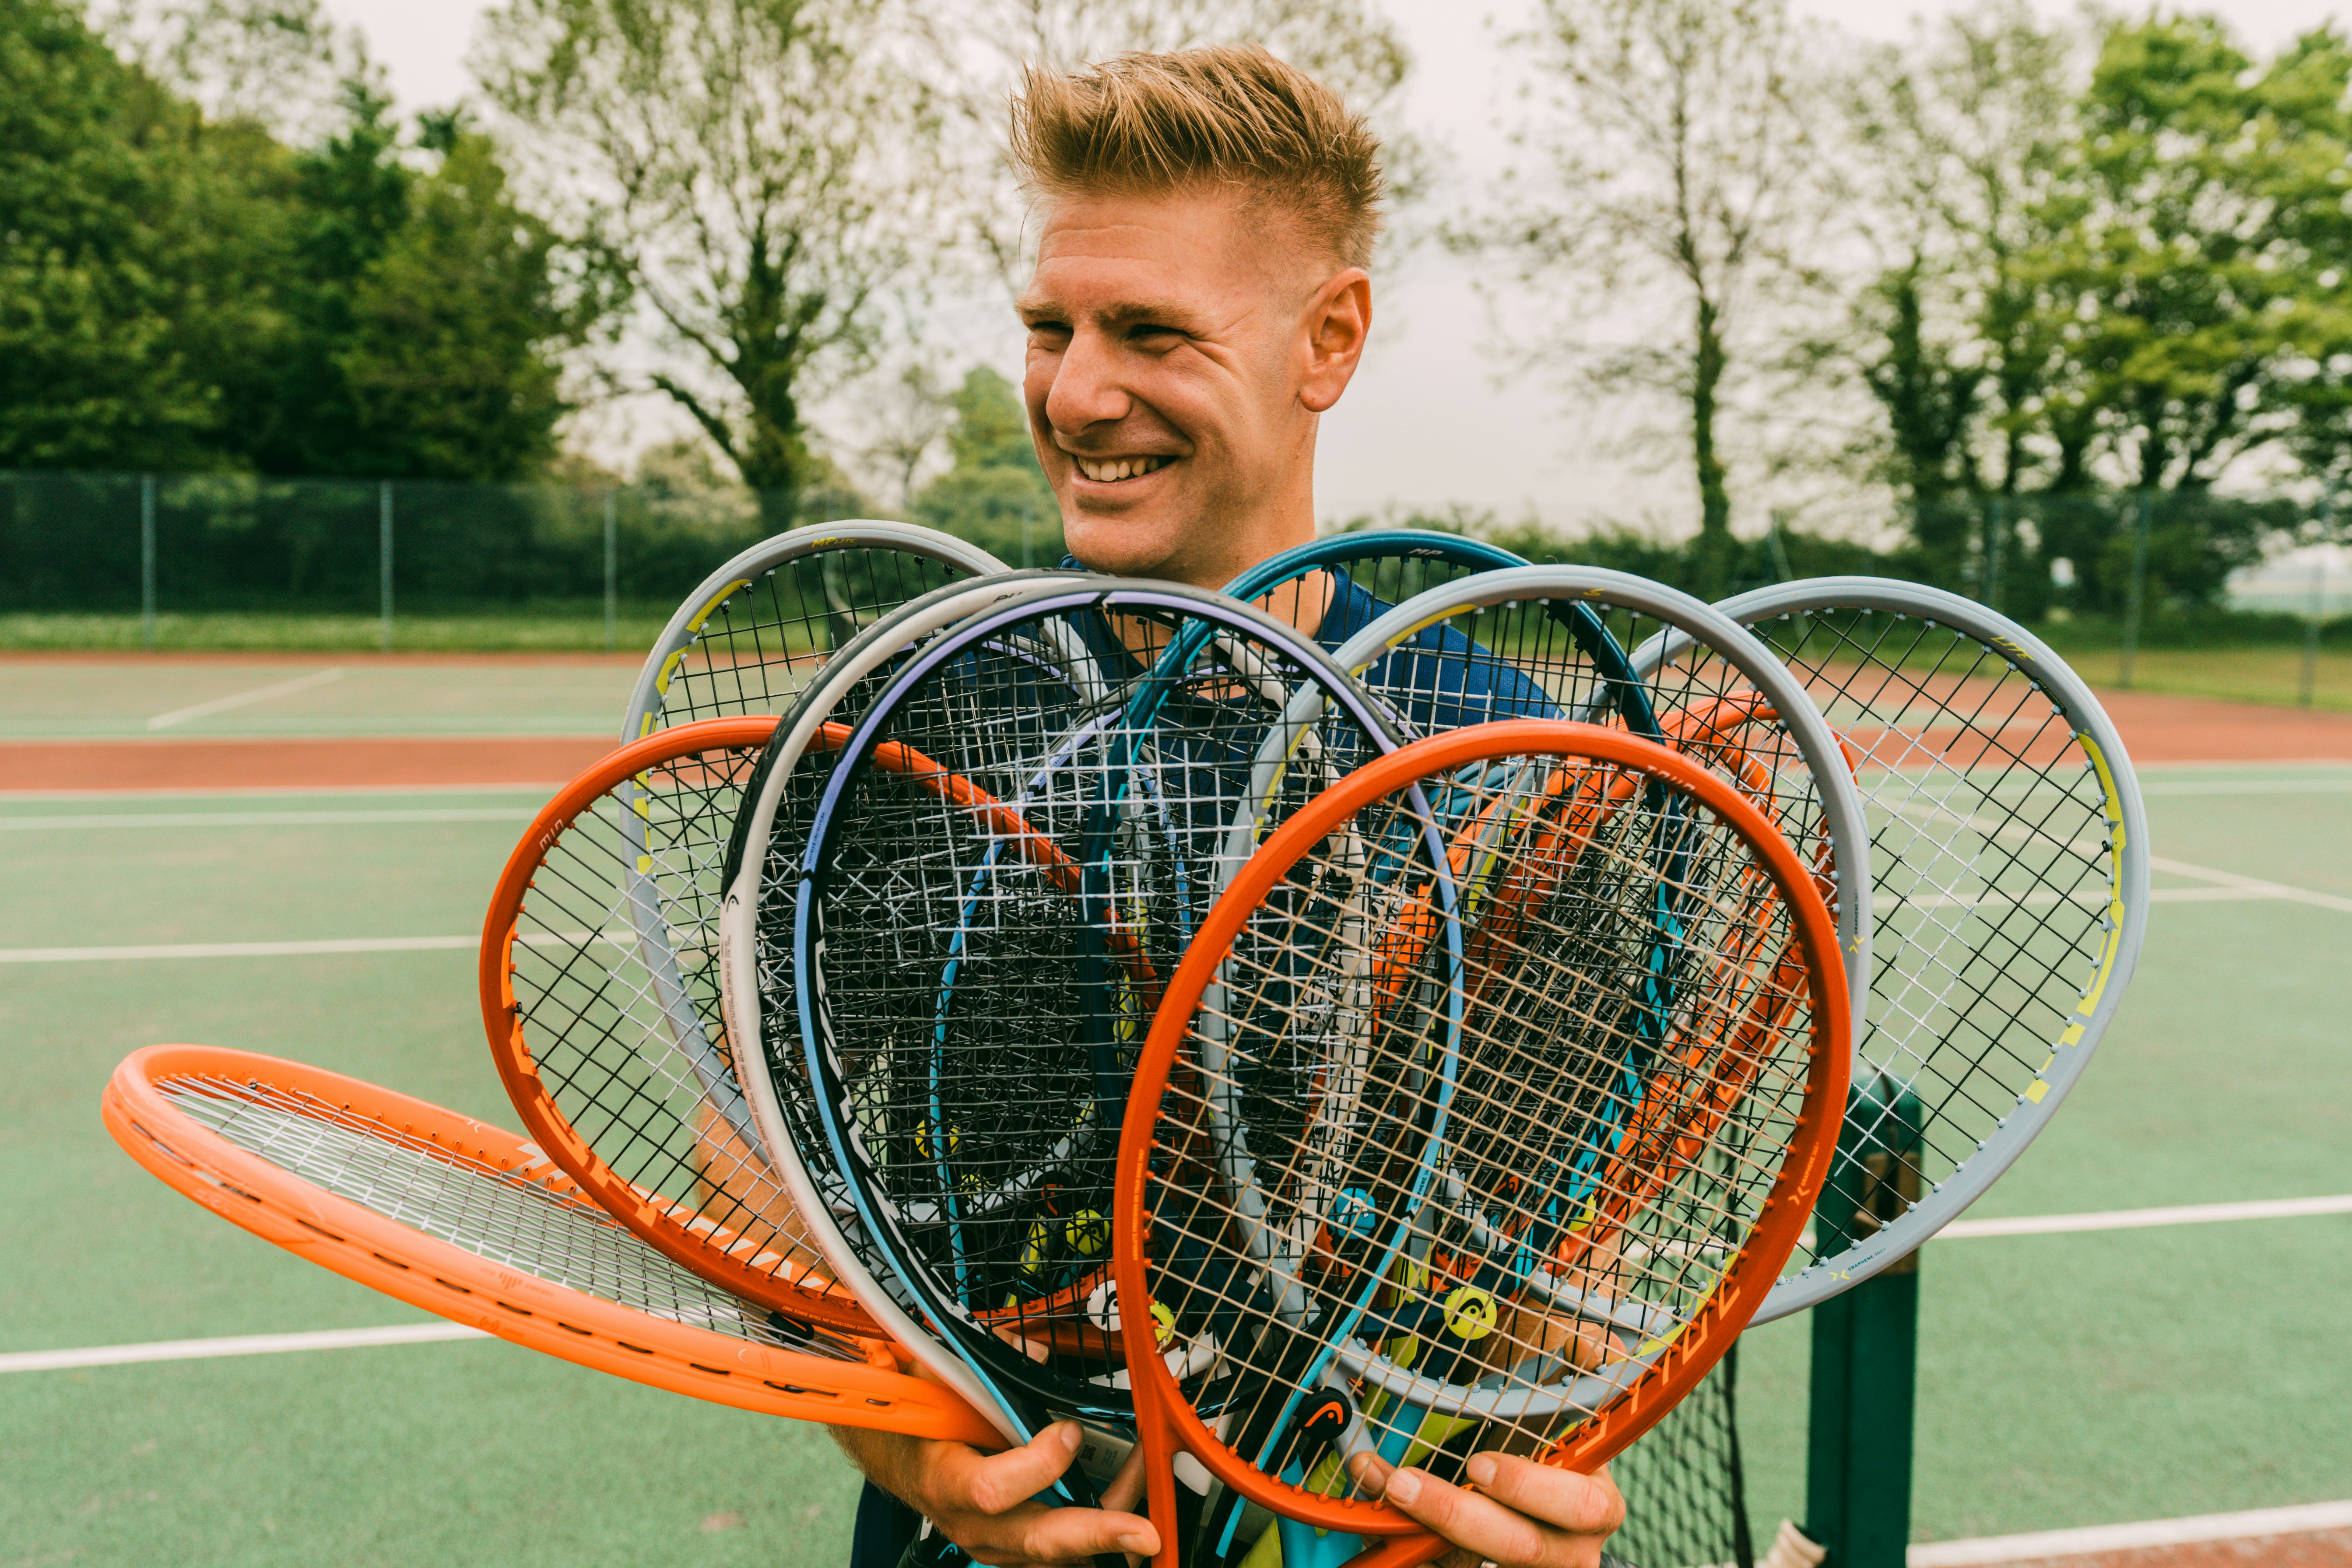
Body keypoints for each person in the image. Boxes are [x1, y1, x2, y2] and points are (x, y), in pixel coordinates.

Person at [829, 45, 1628, 1568]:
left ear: (1327, 340)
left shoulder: (1511, 763)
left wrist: (1529, 1489)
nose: (1076, 391)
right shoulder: (914, 714)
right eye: (1050, 327)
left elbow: (1551, 1250)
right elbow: (756, 1142)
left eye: (1149, 332)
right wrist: (875, 1418)